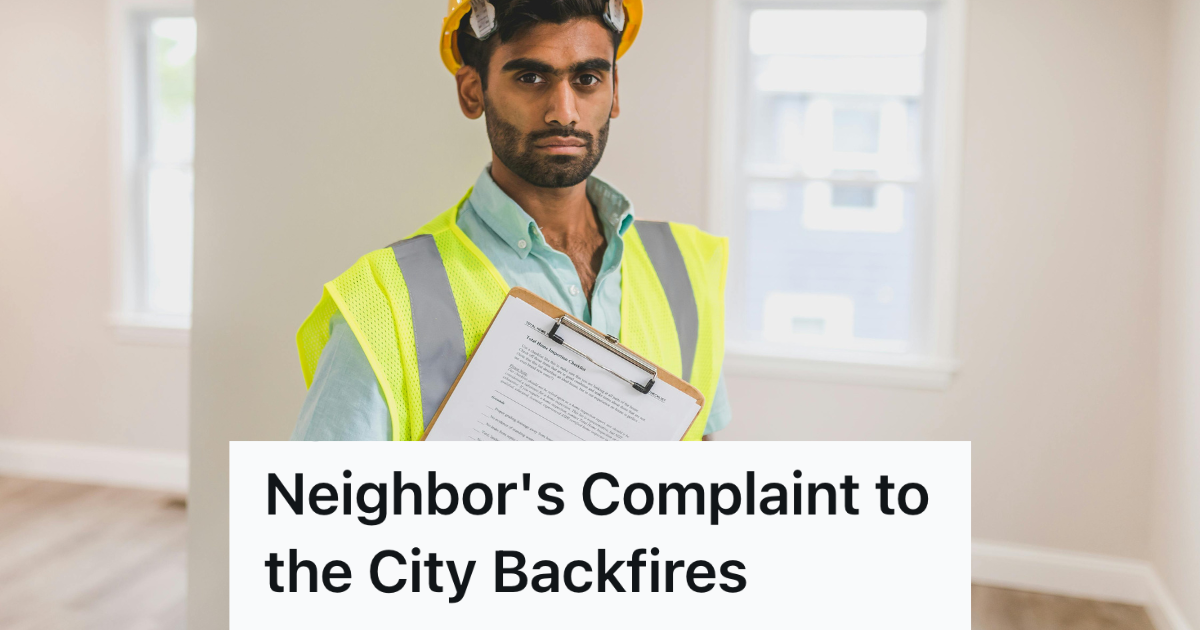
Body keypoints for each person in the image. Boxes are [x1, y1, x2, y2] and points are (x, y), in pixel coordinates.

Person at [292, 0, 730, 441]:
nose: (564, 111)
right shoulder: (383, 299)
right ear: (472, 92)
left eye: (587, 79)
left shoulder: (688, 269)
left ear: (614, 91)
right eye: (531, 77)